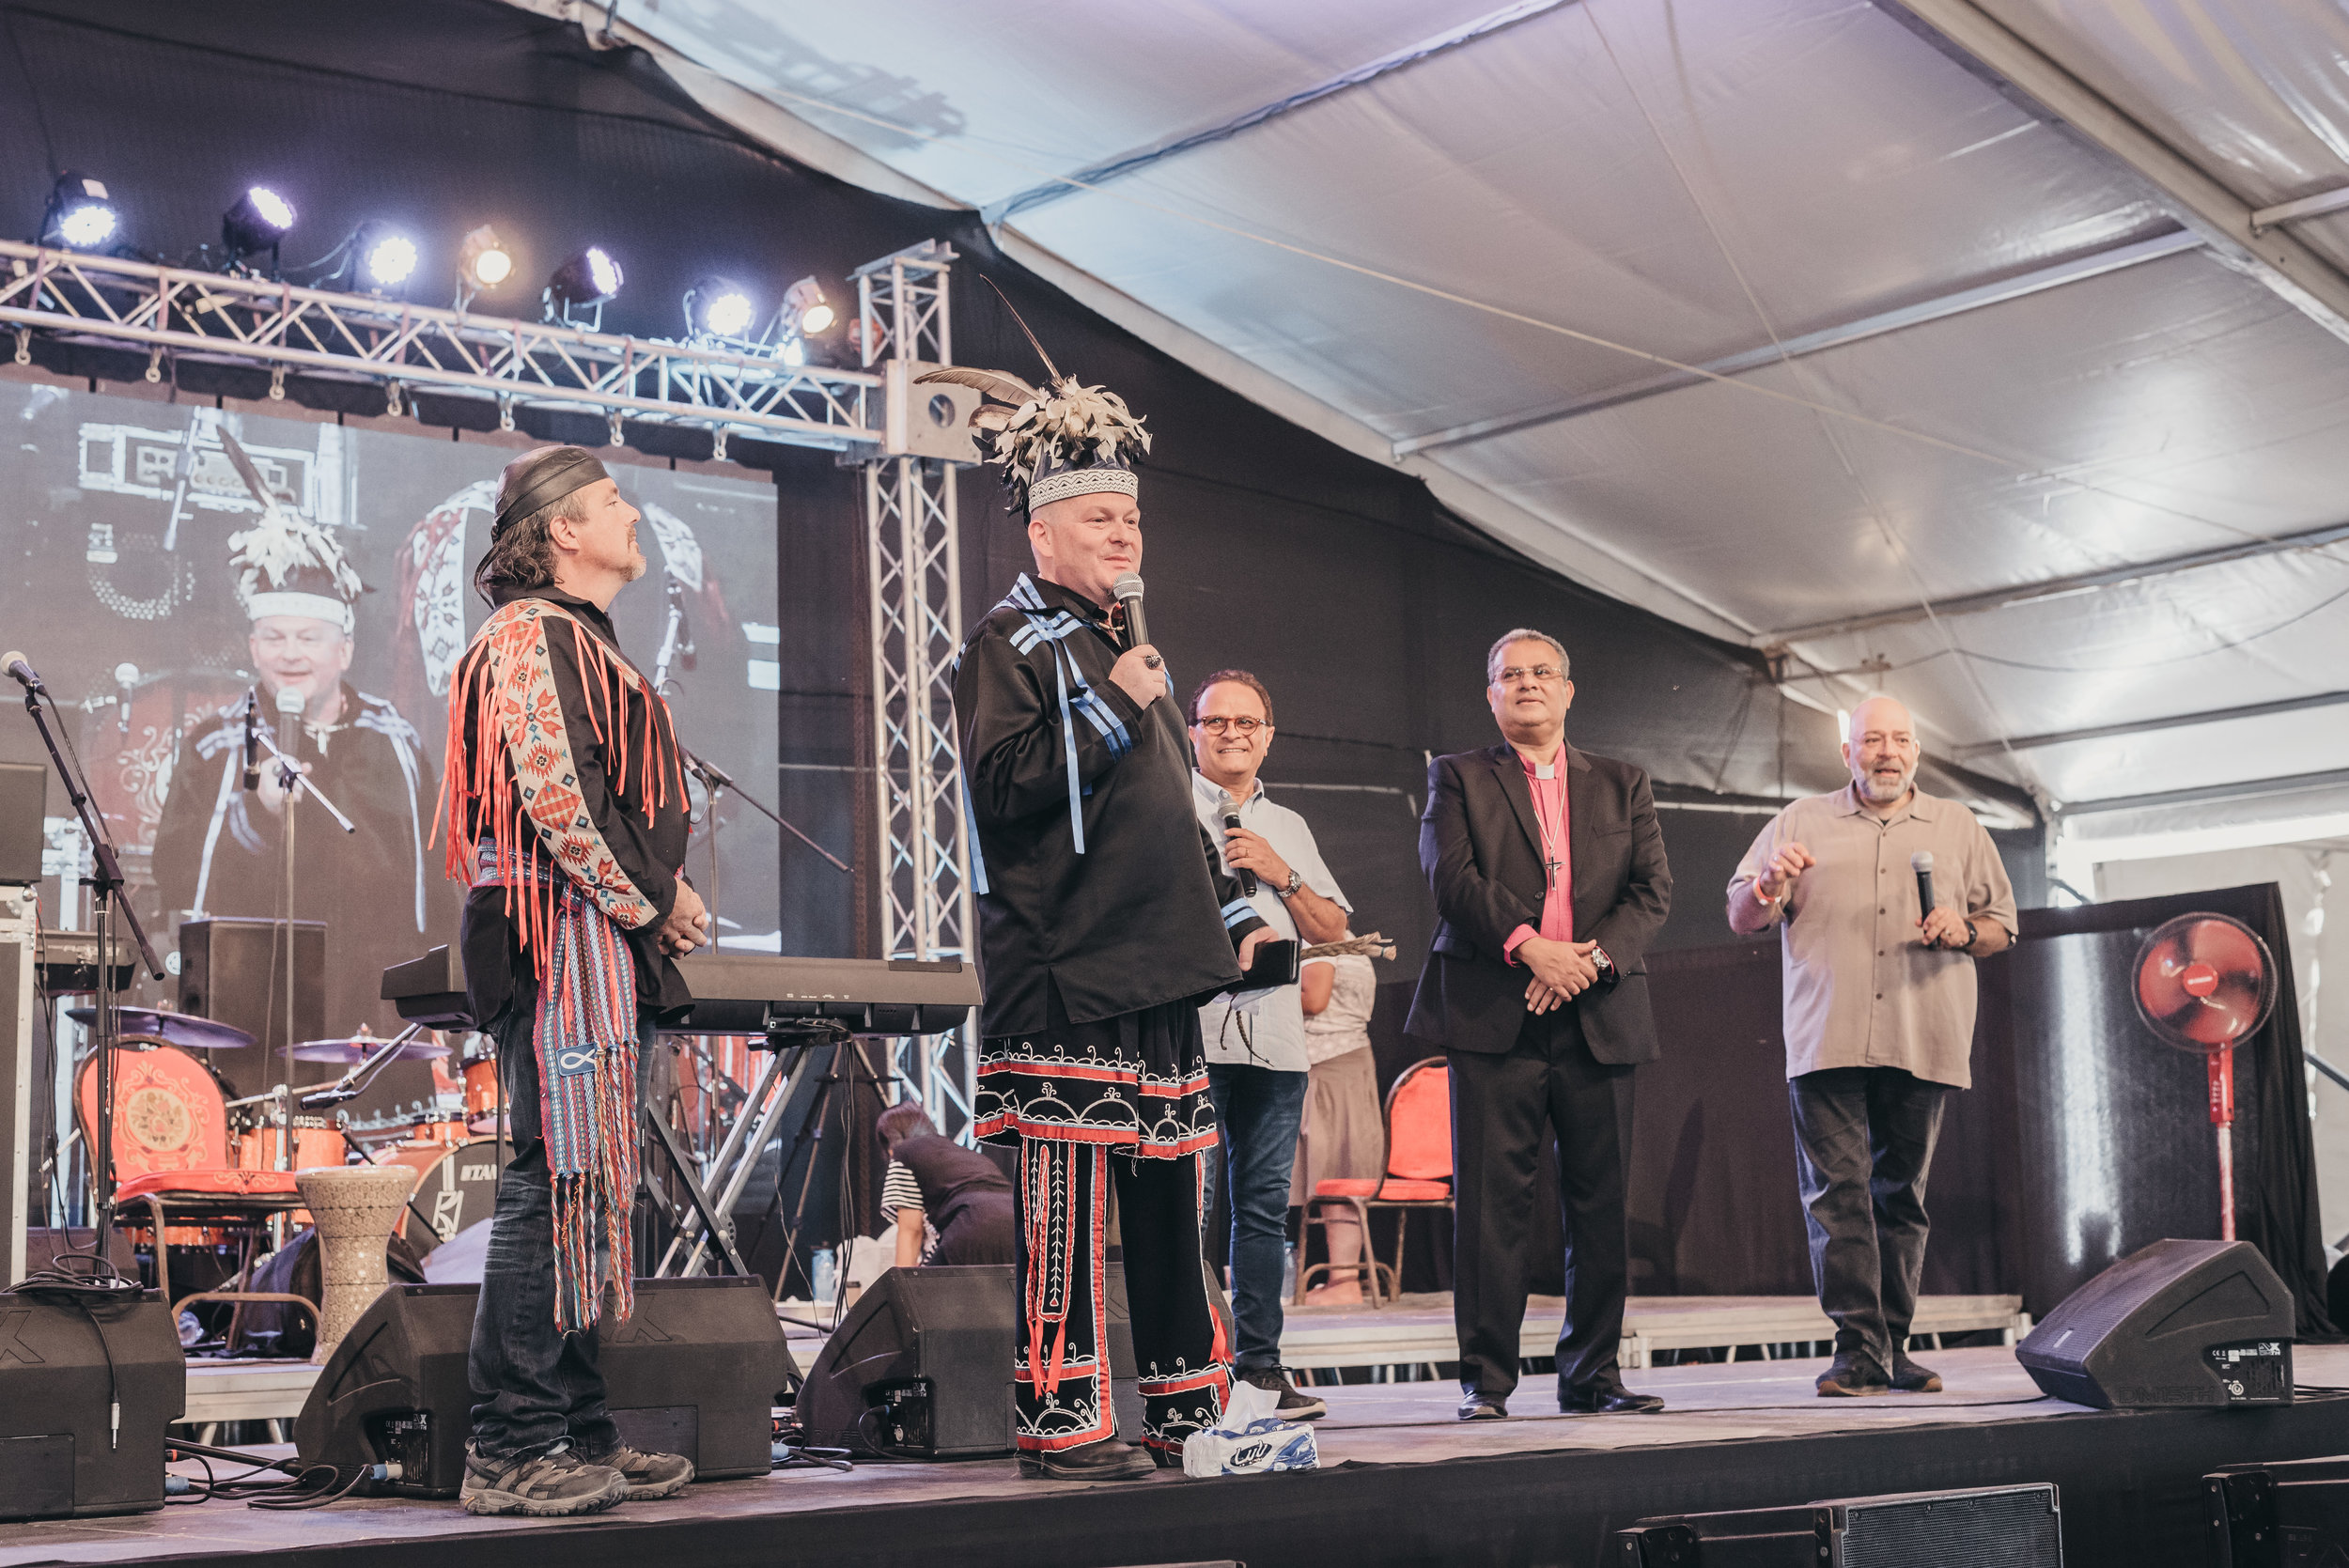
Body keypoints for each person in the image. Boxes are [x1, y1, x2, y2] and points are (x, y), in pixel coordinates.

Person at [941, 357, 1273, 1481]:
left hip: (1155, 972)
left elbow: (1170, 804)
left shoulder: (1128, 643)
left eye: (1130, 516)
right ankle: (1063, 1421)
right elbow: (1005, 785)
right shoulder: (1012, 644)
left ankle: (1189, 1412)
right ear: (1043, 537)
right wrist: (1113, 698)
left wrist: (1231, 909)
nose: (1124, 533)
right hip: (1066, 972)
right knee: (1069, 1215)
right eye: (1097, 517)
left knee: (1173, 1207)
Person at [443, 444, 711, 1516]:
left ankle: (573, 1427)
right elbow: (560, 801)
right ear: (561, 530)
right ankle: (508, 1444)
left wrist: (653, 898)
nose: (631, 515)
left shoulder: (578, 639)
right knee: (550, 1178)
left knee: (582, 1179)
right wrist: (656, 898)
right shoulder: (529, 637)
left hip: (592, 941)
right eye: (611, 503)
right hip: (559, 940)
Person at [1404, 629, 1672, 1421]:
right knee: (1491, 1208)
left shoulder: (1624, 782)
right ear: (1490, 695)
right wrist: (1531, 949)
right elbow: (1450, 878)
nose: (1526, 683)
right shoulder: (1455, 776)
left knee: (1600, 1204)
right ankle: (1485, 1383)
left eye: (1540, 672)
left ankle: (1592, 1375)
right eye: (1508, 674)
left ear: (1568, 689)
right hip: (1495, 1011)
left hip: (1599, 1010)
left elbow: (1651, 891)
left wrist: (1581, 963)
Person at [1725, 695, 2016, 1398]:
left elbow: (2002, 923)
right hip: (1828, 1034)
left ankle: (1894, 1345)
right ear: (1847, 752)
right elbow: (1742, 913)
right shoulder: (1800, 820)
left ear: (1917, 751)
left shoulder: (1957, 825)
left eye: (1901, 739)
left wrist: (1963, 928)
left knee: (1902, 1198)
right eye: (1871, 740)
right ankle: (1856, 1348)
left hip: (1925, 1033)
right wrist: (1769, 884)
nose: (1887, 751)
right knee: (1837, 1197)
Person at [152, 474, 449, 1039]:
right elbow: (179, 877)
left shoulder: (395, 741)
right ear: (253, 647)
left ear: (344, 650)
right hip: (252, 999)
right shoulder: (216, 743)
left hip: (375, 1004)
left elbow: (429, 877)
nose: (290, 654)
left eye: (308, 638)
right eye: (274, 637)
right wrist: (255, 815)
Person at [1188, 669, 1350, 1421]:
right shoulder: (1164, 806)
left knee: (1260, 1210)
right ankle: (1186, 1365)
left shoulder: (1288, 824)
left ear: (1268, 736)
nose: (1232, 734)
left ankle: (1260, 1367)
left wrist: (1278, 872)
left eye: (1246, 723)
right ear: (1192, 732)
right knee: (1188, 1211)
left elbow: (1330, 931)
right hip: (1189, 1038)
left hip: (1278, 1044)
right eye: (1216, 721)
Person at [1293, 941, 1382, 1307]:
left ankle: (1344, 1281)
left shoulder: (1320, 943)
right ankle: (1342, 1278)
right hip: (1344, 1061)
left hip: (1332, 1064)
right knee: (1337, 1167)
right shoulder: (1345, 940)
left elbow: (1313, 999)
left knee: (1337, 1170)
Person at [879, 1099, 1016, 1267]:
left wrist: (900, 1287)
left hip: (971, 1226)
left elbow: (911, 1230)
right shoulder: (963, 1154)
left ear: (889, 1141)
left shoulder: (903, 1153)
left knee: (928, 1291)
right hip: (1019, 1225)